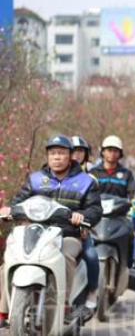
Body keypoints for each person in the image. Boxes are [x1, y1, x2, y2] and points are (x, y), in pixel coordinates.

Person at [0, 135, 102, 322]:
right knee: (10, 258)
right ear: (47, 156)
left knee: (66, 257)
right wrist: (9, 210)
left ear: (70, 156)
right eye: (52, 153)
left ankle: (63, 303)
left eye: (61, 153)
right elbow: (17, 202)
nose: (56, 157)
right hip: (34, 232)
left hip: (67, 235)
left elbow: (95, 210)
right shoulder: (35, 179)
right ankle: (3, 310)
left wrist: (83, 217)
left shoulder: (86, 182)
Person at [70, 135, 100, 317]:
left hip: (80, 229)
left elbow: (95, 207)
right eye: (73, 151)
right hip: (53, 227)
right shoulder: (53, 174)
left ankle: (92, 292)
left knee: (91, 255)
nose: (76, 155)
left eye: (80, 151)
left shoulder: (91, 179)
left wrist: (85, 221)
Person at [89, 135, 135, 199]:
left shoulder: (127, 174)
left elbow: (133, 195)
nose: (112, 153)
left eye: (115, 151)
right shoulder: (93, 172)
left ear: (120, 153)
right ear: (103, 152)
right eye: (109, 150)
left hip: (121, 208)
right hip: (97, 208)